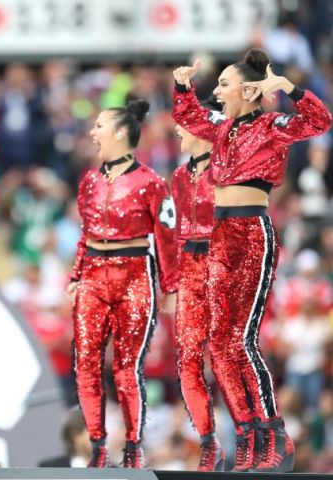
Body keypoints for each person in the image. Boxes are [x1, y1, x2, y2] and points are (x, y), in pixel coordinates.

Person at [172, 49, 332, 472]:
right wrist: (182, 86)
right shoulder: (222, 130)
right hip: (219, 235)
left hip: (251, 233)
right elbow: (189, 118)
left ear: (247, 89)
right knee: (220, 344)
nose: (217, 92)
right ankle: (247, 435)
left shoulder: (272, 126)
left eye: (223, 84)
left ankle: (275, 433)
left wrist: (288, 88)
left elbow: (321, 121)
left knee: (241, 339)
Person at [65, 99, 177, 469]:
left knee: (128, 366)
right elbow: (84, 234)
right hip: (94, 273)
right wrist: (76, 275)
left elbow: (166, 236)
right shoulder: (90, 181)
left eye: (99, 126)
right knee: (86, 362)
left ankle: (132, 446)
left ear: (118, 133)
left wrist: (170, 285)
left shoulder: (151, 182)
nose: (93, 132)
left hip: (135, 273)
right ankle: (97, 445)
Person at [171, 98, 224, 471]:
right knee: (187, 356)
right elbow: (175, 233)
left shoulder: (228, 171)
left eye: (185, 123)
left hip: (222, 263)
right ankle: (208, 441)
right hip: (190, 266)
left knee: (225, 355)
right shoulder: (178, 176)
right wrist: (172, 280)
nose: (178, 129)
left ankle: (255, 431)